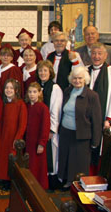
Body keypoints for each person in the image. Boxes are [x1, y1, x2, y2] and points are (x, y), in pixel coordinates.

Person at [58, 67, 102, 191]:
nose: (77, 81)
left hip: (82, 135)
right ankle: (67, 181)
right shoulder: (67, 91)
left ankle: (77, 185)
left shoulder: (92, 96)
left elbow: (97, 120)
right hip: (66, 132)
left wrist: (95, 141)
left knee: (79, 162)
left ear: (85, 79)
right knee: (66, 158)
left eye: (80, 78)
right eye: (75, 78)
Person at [87, 43, 111, 172]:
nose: (96, 56)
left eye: (99, 53)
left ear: (105, 55)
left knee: (99, 150)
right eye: (93, 53)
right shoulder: (86, 70)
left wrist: (109, 119)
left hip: (103, 121)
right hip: (87, 121)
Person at [0, 79, 27, 191]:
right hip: (3, 135)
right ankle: (4, 179)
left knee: (12, 159)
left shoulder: (20, 104)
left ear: (16, 90)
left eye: (11, 88)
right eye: (7, 88)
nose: (8, 90)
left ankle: (11, 181)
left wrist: (17, 138)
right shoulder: (3, 103)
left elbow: (22, 124)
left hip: (13, 137)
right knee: (3, 158)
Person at [36, 60, 63, 190]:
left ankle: (51, 180)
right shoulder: (38, 86)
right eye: (40, 70)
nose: (42, 73)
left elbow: (55, 110)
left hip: (50, 128)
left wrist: (52, 129)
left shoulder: (54, 88)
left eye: (45, 70)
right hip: (38, 127)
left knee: (51, 154)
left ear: (50, 72)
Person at [25, 82, 50, 189]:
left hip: (37, 142)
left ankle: (38, 186)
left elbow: (45, 127)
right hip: (28, 141)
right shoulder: (27, 106)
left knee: (37, 165)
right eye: (30, 92)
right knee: (29, 164)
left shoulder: (43, 108)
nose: (32, 94)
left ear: (40, 93)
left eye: (35, 92)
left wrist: (42, 143)